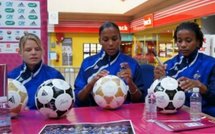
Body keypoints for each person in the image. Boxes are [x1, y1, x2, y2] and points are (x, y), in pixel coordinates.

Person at [74, 21, 145, 107]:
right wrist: (91, 84)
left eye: (114, 39)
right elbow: (78, 99)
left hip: (124, 115)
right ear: (100, 41)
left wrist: (130, 83)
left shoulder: (132, 64)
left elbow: (140, 100)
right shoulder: (88, 64)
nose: (110, 43)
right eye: (105, 40)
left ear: (120, 39)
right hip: (95, 116)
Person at [154, 21, 215, 116]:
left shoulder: (211, 64)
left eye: (188, 40)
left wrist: (201, 87)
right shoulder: (168, 65)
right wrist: (158, 80)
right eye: (179, 41)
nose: (183, 45)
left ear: (198, 42)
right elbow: (156, 97)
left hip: (206, 116)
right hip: (175, 115)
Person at [8, 33, 65, 109]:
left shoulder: (54, 75)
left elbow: (65, 102)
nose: (34, 53)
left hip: (47, 119)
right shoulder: (11, 77)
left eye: (37, 49)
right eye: (28, 50)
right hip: (20, 120)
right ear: (20, 52)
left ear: (42, 51)